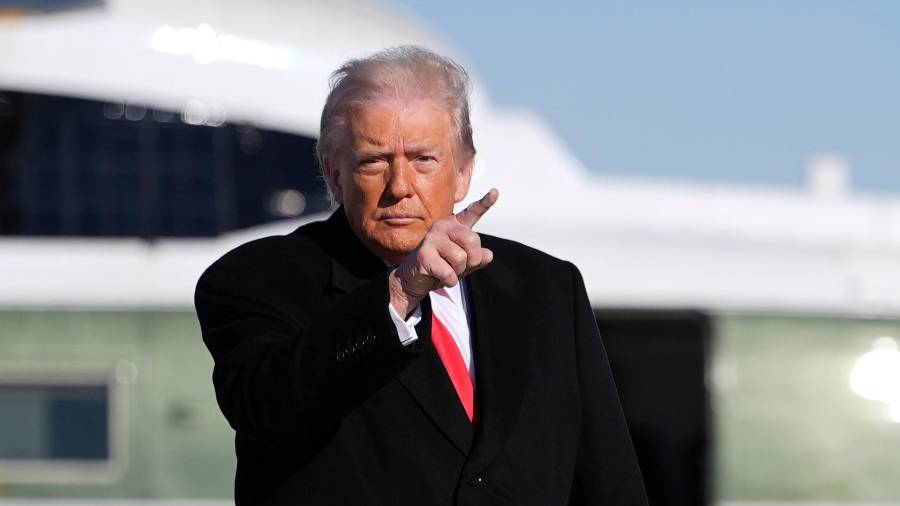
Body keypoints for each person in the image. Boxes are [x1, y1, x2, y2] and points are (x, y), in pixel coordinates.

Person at [195, 45, 648, 506]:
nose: (399, 187)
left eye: (423, 160)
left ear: (463, 173)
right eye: (374, 161)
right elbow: (265, 407)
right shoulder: (255, 278)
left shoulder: (547, 288)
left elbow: (608, 476)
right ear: (334, 176)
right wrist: (400, 292)